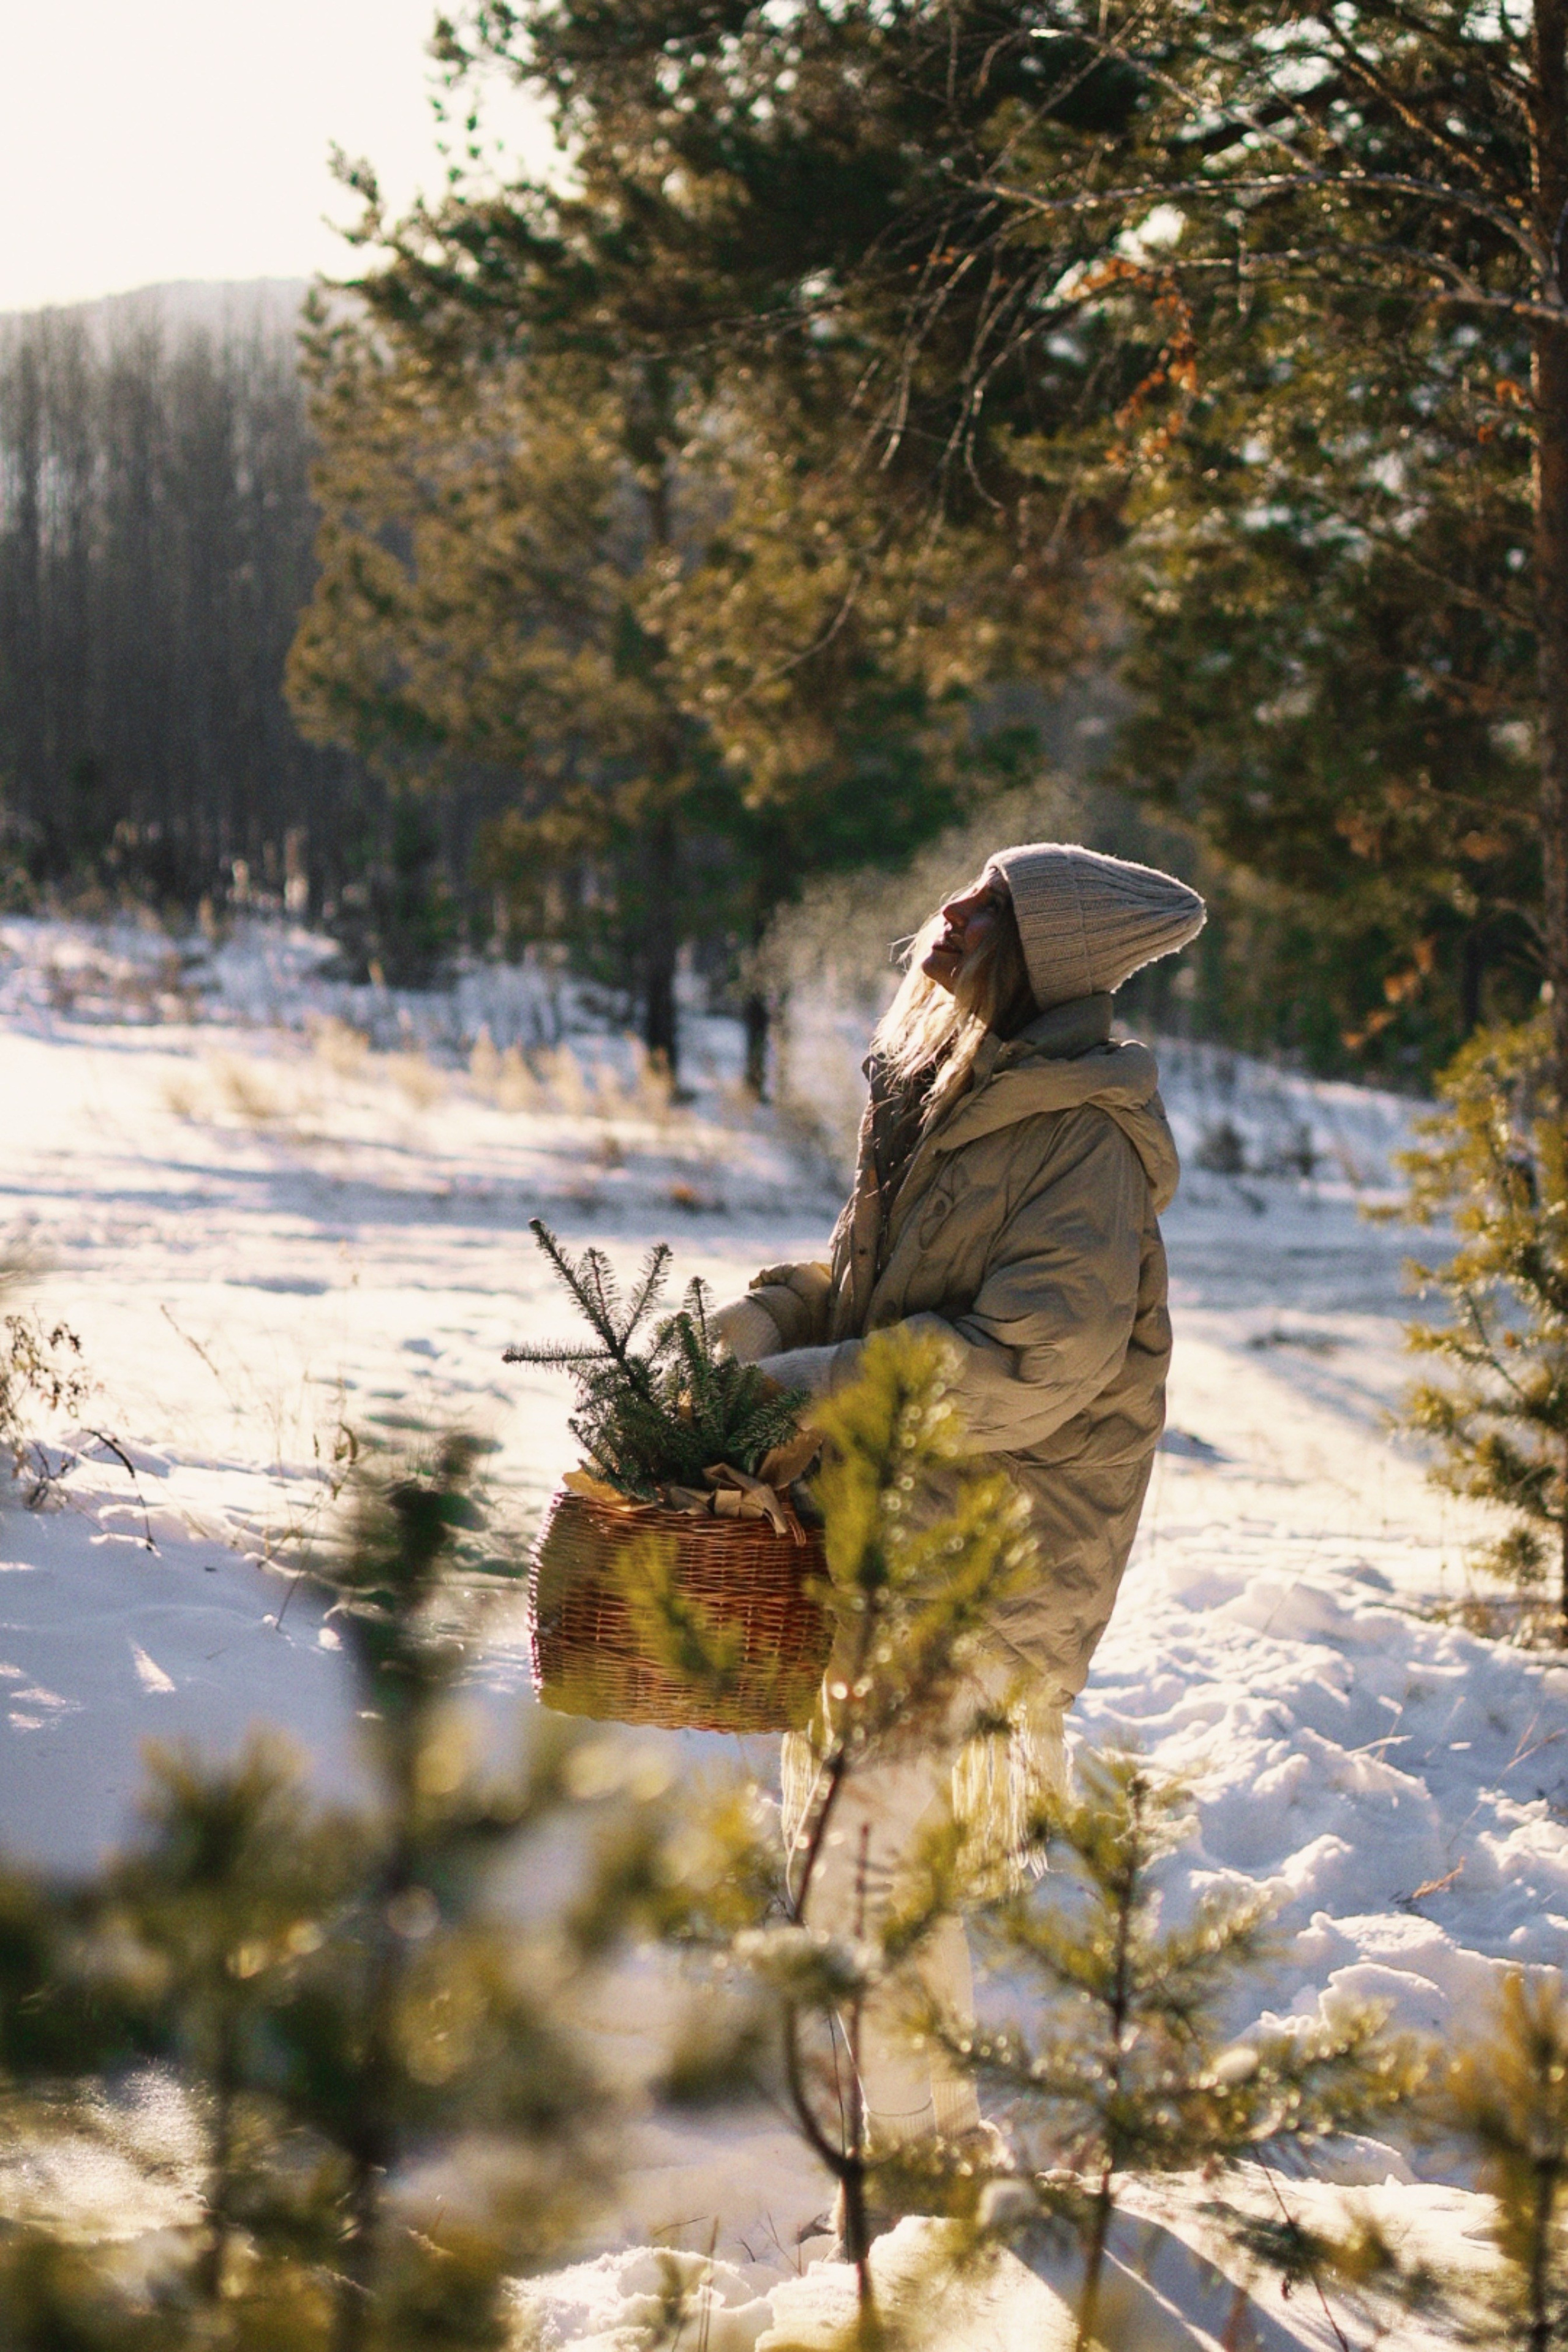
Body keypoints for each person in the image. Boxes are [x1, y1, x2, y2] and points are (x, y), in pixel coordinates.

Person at [713, 841, 1204, 2168]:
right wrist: (763, 1321)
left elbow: (1025, 1366)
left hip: (995, 1556)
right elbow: (860, 1281)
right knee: (862, 1872)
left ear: (1043, 956)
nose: (949, 914)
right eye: (966, 890)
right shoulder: (947, 1090)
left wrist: (814, 1388)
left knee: (869, 1868)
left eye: (991, 909)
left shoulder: (1078, 1144)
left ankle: (925, 2176)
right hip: (897, 1539)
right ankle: (930, 2164)